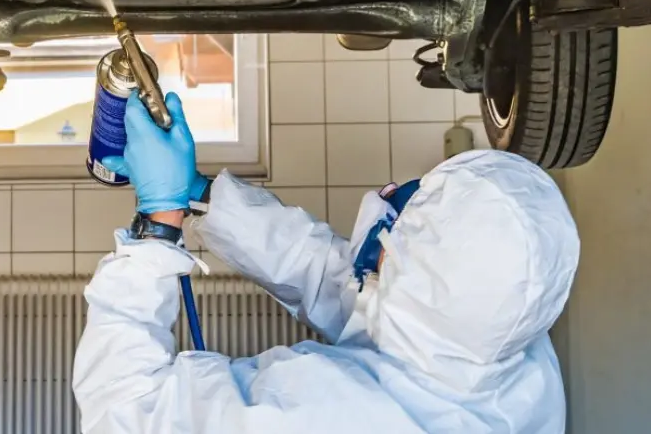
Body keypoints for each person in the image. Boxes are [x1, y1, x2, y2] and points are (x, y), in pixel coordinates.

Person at [72, 92, 579, 433]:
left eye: (405, 208)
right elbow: (342, 283)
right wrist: (199, 196)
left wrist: (159, 224)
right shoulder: (506, 358)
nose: (386, 193)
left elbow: (124, 407)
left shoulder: (328, 414)